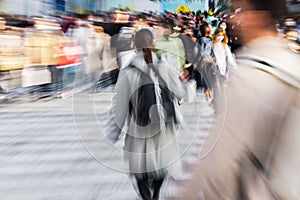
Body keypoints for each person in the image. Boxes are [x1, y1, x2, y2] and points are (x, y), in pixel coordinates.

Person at [181, 0, 300, 199]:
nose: (235, 18)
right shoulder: (293, 65)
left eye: (241, 11)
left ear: (259, 18)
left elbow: (219, 160)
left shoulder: (251, 76)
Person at [106, 29, 185, 200]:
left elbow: (119, 106)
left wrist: (114, 131)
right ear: (153, 44)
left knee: (140, 168)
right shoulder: (164, 64)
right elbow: (179, 91)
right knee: (162, 164)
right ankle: (156, 194)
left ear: (134, 45)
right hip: (164, 127)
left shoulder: (128, 71)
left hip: (138, 128)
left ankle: (146, 197)